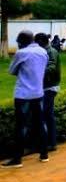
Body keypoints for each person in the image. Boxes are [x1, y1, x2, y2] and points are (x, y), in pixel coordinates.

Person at [3, 30, 48, 168]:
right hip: (38, 93)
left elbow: (12, 71)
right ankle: (44, 154)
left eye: (18, 42)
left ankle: (17, 159)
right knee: (40, 123)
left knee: (21, 126)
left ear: (22, 41)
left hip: (23, 94)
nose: (17, 44)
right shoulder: (42, 51)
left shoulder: (21, 53)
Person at [35, 33, 61, 152]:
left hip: (50, 87)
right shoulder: (46, 51)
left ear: (41, 41)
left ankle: (47, 143)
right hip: (47, 86)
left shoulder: (51, 51)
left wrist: (35, 70)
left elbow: (51, 68)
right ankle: (51, 142)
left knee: (44, 115)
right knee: (47, 115)